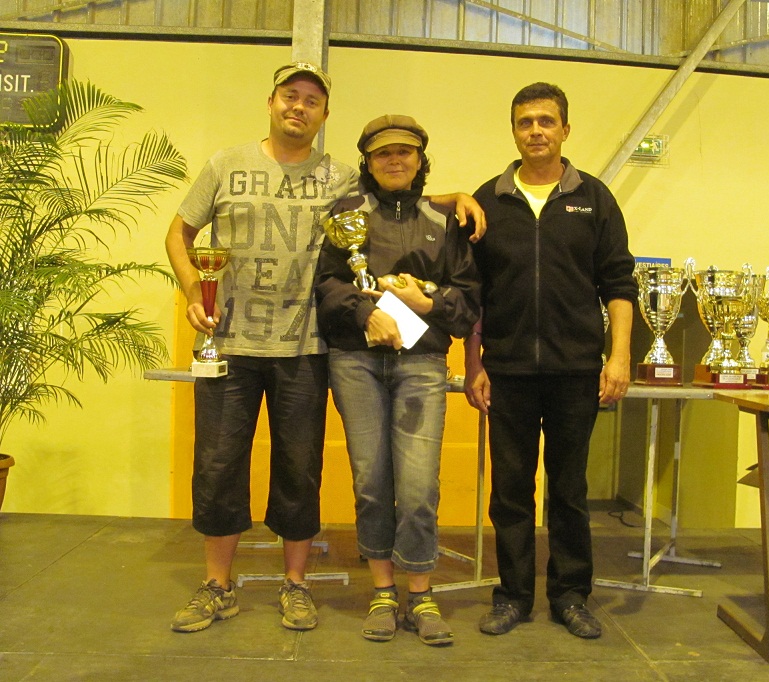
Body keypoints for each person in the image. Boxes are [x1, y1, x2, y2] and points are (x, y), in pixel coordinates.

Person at [165, 62, 485, 634]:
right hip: (227, 342)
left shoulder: (340, 179)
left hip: (304, 346)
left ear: (324, 115)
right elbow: (179, 232)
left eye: (312, 101)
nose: (299, 107)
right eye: (291, 97)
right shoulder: (224, 164)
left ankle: (296, 585)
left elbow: (399, 195)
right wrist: (195, 287)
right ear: (271, 101)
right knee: (217, 467)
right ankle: (217, 585)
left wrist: (458, 195)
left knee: (300, 471)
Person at [463, 82, 637, 640]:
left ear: (565, 129)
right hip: (508, 371)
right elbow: (472, 293)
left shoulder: (595, 198)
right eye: (524, 122)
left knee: (569, 490)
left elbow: (618, 283)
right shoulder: (487, 200)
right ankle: (512, 595)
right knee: (510, 491)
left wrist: (619, 358)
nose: (535, 130)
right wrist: (473, 364)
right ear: (513, 131)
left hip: (575, 372)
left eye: (545, 121)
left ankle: (570, 595)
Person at [315, 115, 480, 646]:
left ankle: (421, 592)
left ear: (419, 158)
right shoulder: (345, 215)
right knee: (370, 482)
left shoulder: (444, 219)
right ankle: (383, 592)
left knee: (417, 488)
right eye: (382, 154)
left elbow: (468, 300)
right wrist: (367, 315)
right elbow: (326, 290)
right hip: (356, 363)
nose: (394, 161)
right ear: (366, 161)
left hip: (422, 365)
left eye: (404, 153)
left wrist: (423, 301)